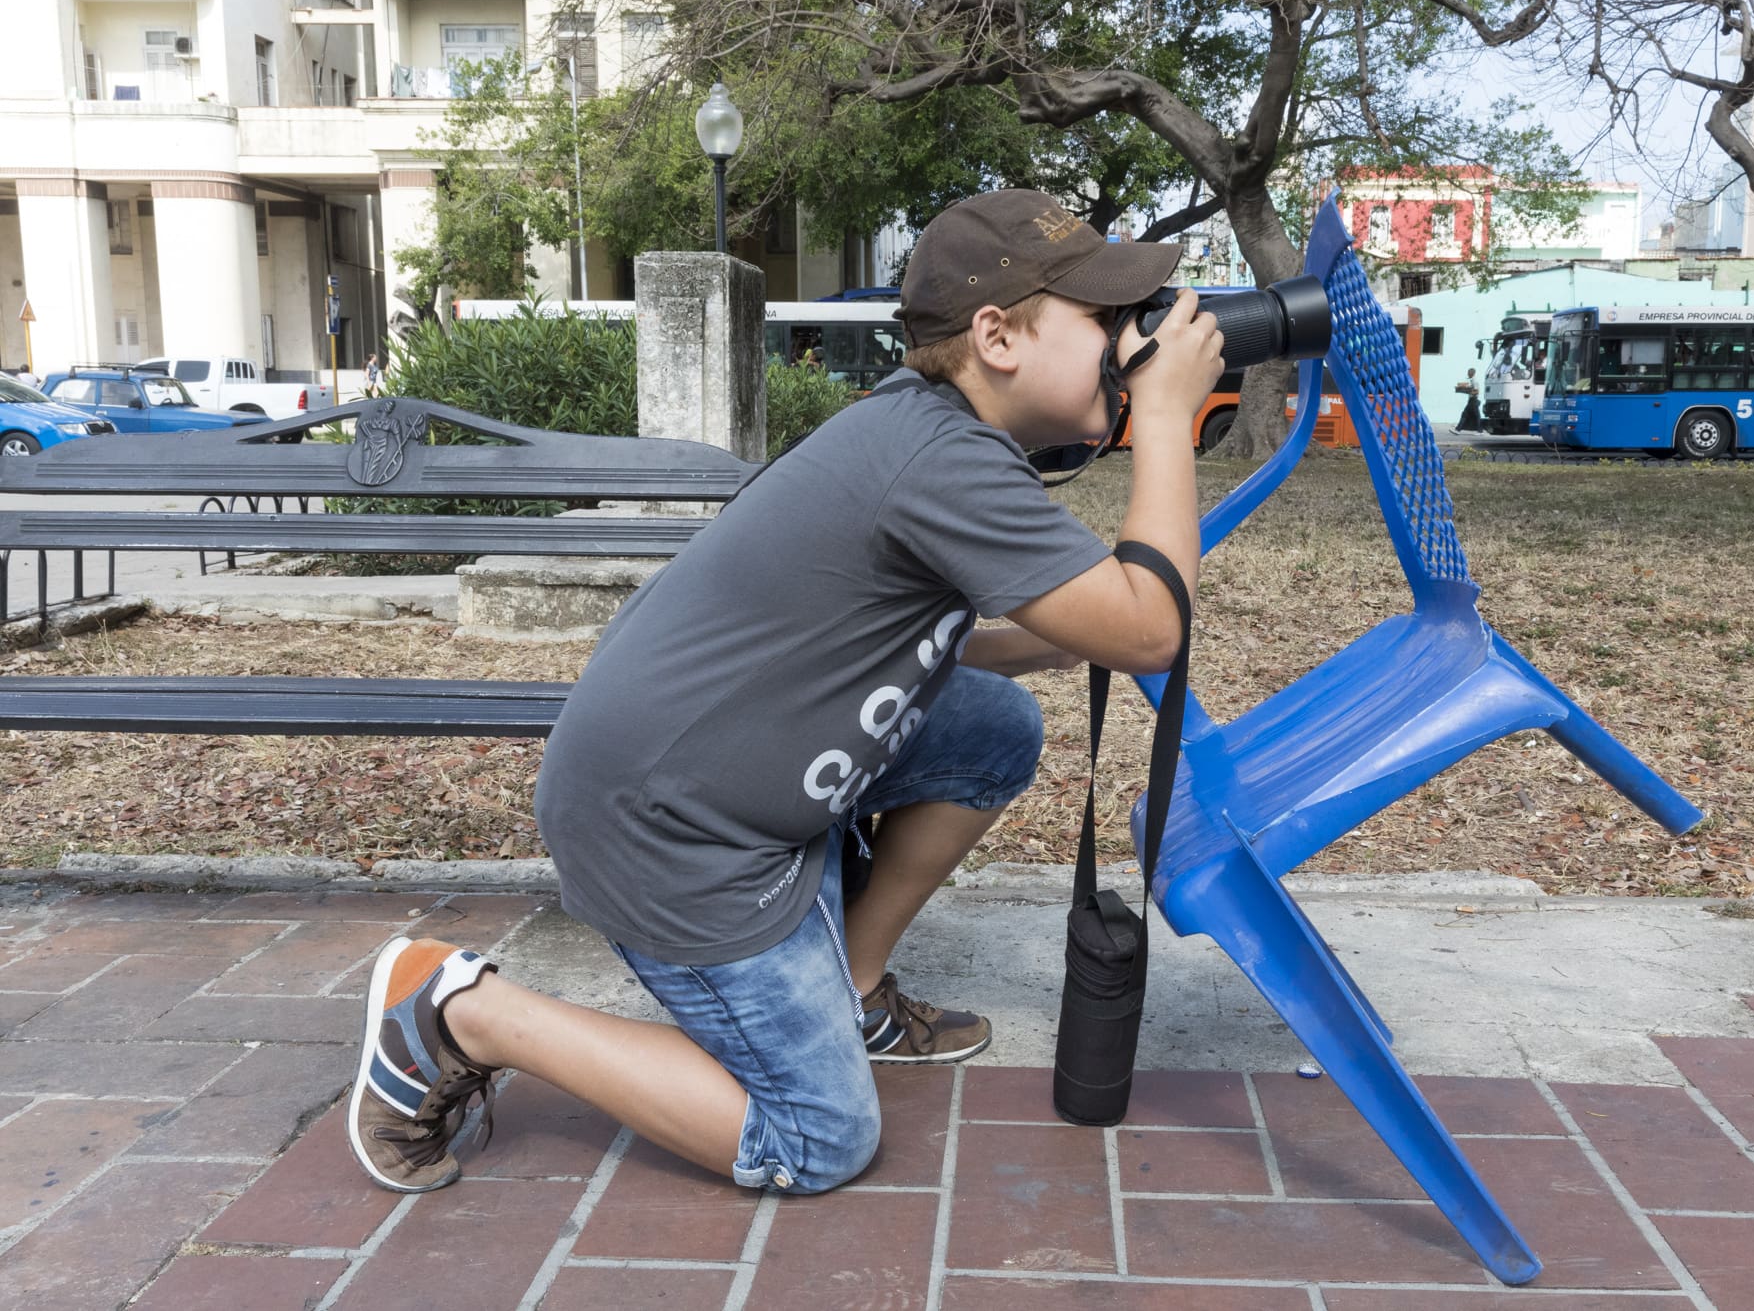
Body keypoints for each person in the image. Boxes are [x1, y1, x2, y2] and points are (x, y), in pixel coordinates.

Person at [343, 189, 1223, 1197]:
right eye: (1102, 318)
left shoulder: (929, 429)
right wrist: (1163, 417)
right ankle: (456, 1011)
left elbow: (916, 627)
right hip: (669, 829)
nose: (1130, 339)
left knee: (990, 731)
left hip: (709, 766)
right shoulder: (941, 458)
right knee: (817, 1138)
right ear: (997, 336)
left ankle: (846, 986)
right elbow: (1152, 629)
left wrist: (1065, 627)